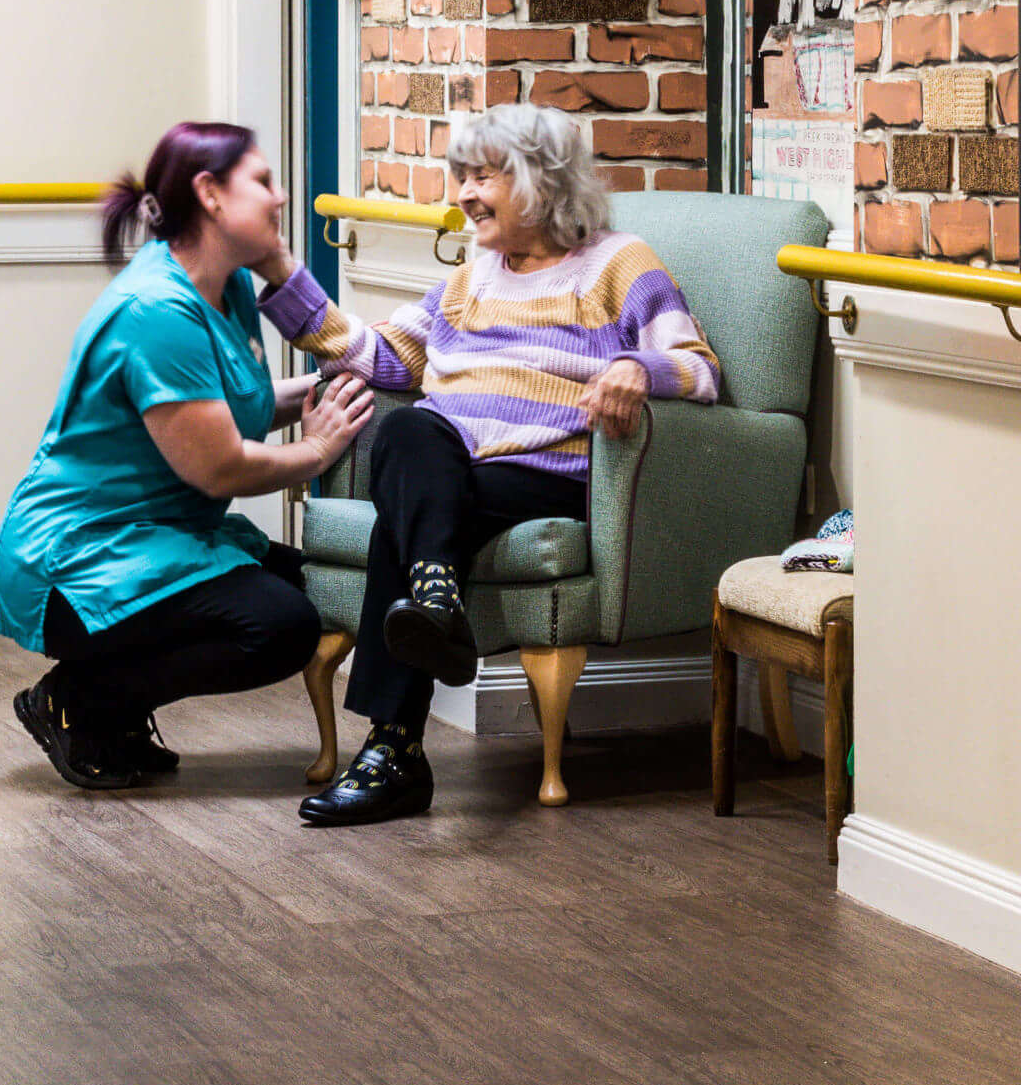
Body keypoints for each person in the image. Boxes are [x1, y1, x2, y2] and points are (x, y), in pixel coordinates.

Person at [254, 104, 720, 827]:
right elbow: (379, 357)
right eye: (460, 177)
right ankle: (433, 603)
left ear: (545, 181)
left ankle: (392, 750)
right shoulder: (471, 279)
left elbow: (699, 369)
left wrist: (636, 368)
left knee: (400, 529)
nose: (465, 193)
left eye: (483, 176)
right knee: (408, 429)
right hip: (450, 470)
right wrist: (281, 273)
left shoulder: (619, 262)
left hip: (542, 473)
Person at [0, 123, 371, 792]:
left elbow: (236, 404)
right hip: (78, 562)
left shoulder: (222, 290)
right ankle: (83, 700)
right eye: (263, 182)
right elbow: (219, 466)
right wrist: (316, 450)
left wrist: (293, 298)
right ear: (210, 195)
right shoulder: (156, 311)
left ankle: (104, 706)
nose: (281, 197)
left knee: (314, 588)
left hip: (158, 539)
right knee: (281, 627)